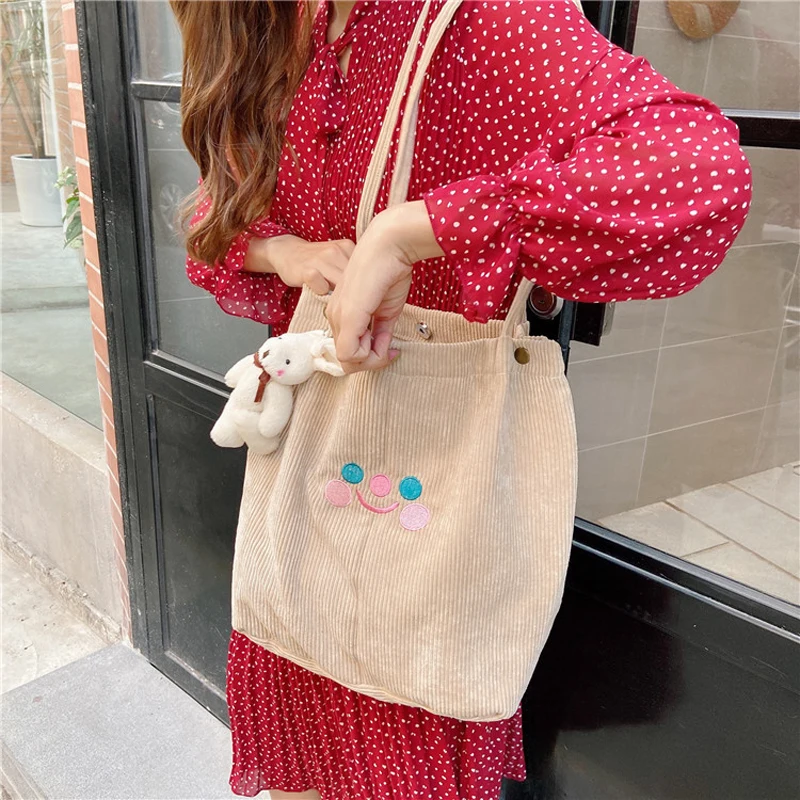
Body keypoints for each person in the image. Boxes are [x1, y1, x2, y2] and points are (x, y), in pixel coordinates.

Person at [169, 1, 751, 798]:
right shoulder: (281, 24)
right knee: (301, 756)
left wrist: (410, 231)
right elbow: (211, 222)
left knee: (397, 740)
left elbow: (699, 173)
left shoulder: (483, 19)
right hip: (303, 497)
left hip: (431, 537)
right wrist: (285, 251)